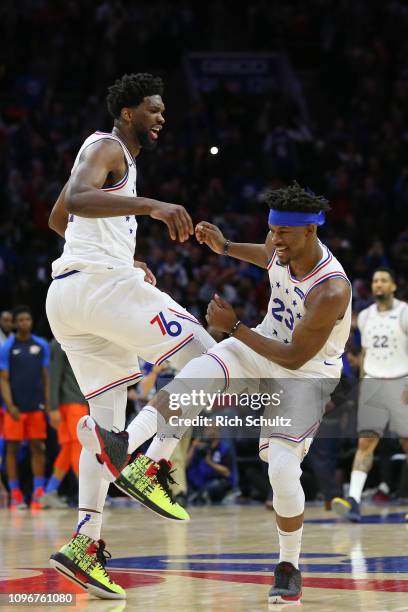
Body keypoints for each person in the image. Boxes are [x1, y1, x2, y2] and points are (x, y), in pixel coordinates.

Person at [79, 182, 351, 604]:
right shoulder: (279, 247)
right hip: (264, 346)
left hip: (304, 374)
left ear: (310, 232)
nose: (274, 240)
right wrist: (224, 247)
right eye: (271, 230)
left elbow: (296, 357)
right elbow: (265, 257)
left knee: (281, 470)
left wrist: (236, 328)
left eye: (282, 234)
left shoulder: (331, 289)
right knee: (199, 372)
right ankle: (124, 445)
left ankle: (289, 565)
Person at [46, 73, 215, 599]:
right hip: (100, 289)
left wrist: (127, 256)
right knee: (214, 357)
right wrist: (152, 207)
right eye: (153, 109)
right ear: (127, 113)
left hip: (70, 299)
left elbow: (58, 218)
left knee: (103, 421)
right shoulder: (107, 145)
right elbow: (74, 199)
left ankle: (84, 543)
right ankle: (153, 459)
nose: (161, 117)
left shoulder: (110, 155)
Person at [332, 268, 408, 521]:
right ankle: (353, 500)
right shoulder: (364, 317)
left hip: (400, 383)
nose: (379, 284)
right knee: (365, 443)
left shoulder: (404, 312)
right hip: (374, 384)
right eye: (375, 280)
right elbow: (365, 356)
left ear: (393, 286)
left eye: (384, 280)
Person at [0, 305, 50, 509]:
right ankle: (16, 494)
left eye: (27, 320)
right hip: (15, 409)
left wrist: (47, 402)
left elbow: (46, 376)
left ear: (31, 321)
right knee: (11, 449)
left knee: (37, 447)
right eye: (20, 320)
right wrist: (10, 405)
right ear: (14, 323)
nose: (24, 323)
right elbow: (3, 379)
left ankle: (38, 493)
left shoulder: (41, 345)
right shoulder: (7, 347)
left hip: (36, 407)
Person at [39, 339, 88, 509]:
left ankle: (49, 492)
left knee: (69, 448)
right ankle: (87, 496)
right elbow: (54, 375)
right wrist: (52, 407)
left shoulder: (78, 338)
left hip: (77, 401)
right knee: (78, 446)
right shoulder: (60, 342)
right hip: (71, 403)